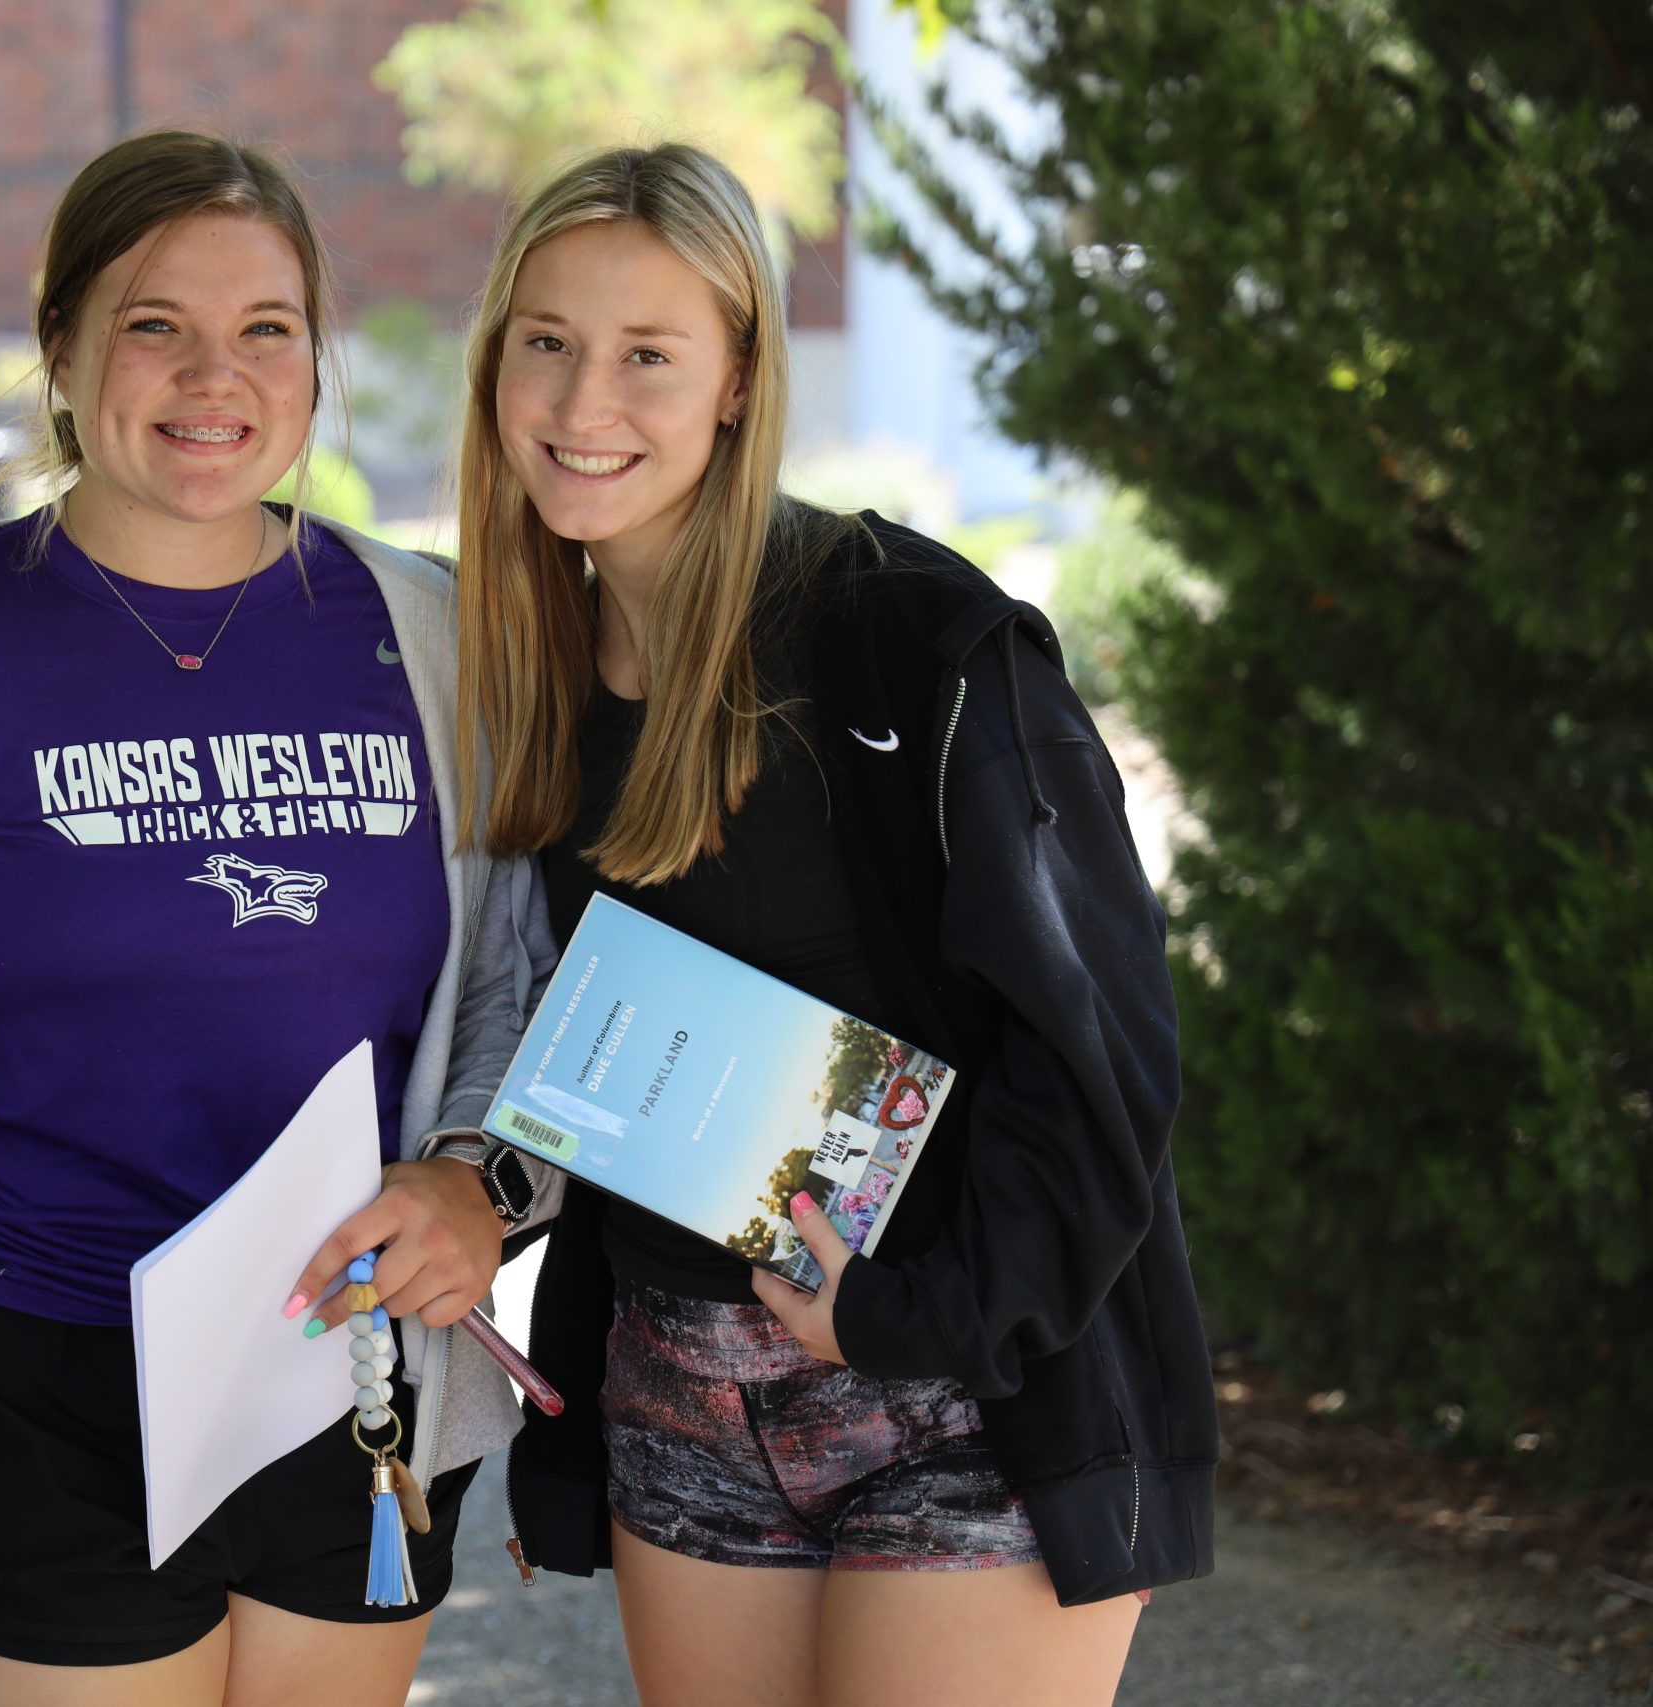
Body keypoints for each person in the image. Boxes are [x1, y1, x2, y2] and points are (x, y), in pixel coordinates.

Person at [455, 144, 1219, 1707]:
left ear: (740, 379)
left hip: (962, 1390)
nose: (583, 401)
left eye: (648, 354)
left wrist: (910, 1313)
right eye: (547, 342)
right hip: (684, 1395)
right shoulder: (510, 676)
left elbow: (1103, 1061)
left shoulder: (911, 641)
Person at [0, 131, 557, 1707]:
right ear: (63, 351)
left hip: (347, 1370)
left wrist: (483, 1188)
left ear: (313, 360)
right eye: (155, 323)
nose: (215, 373)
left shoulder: (426, 632)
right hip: (26, 1389)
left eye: (267, 328)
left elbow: (510, 989)